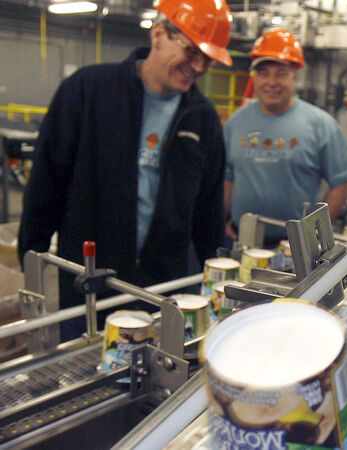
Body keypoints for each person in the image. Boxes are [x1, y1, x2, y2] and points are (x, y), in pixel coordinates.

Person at [17, 0, 233, 341]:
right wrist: (32, 262)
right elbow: (46, 184)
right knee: (82, 366)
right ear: (159, 34)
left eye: (207, 58)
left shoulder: (202, 119)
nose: (198, 66)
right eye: (192, 51)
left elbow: (208, 211)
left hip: (163, 291)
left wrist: (220, 286)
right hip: (88, 287)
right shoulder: (88, 91)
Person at [224, 29, 347, 246]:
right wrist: (221, 220)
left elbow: (342, 186)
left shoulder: (321, 124)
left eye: (281, 73)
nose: (271, 82)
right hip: (240, 240)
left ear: (294, 76)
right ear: (255, 77)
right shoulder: (235, 122)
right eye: (264, 73)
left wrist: (314, 235)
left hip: (293, 248)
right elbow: (227, 178)